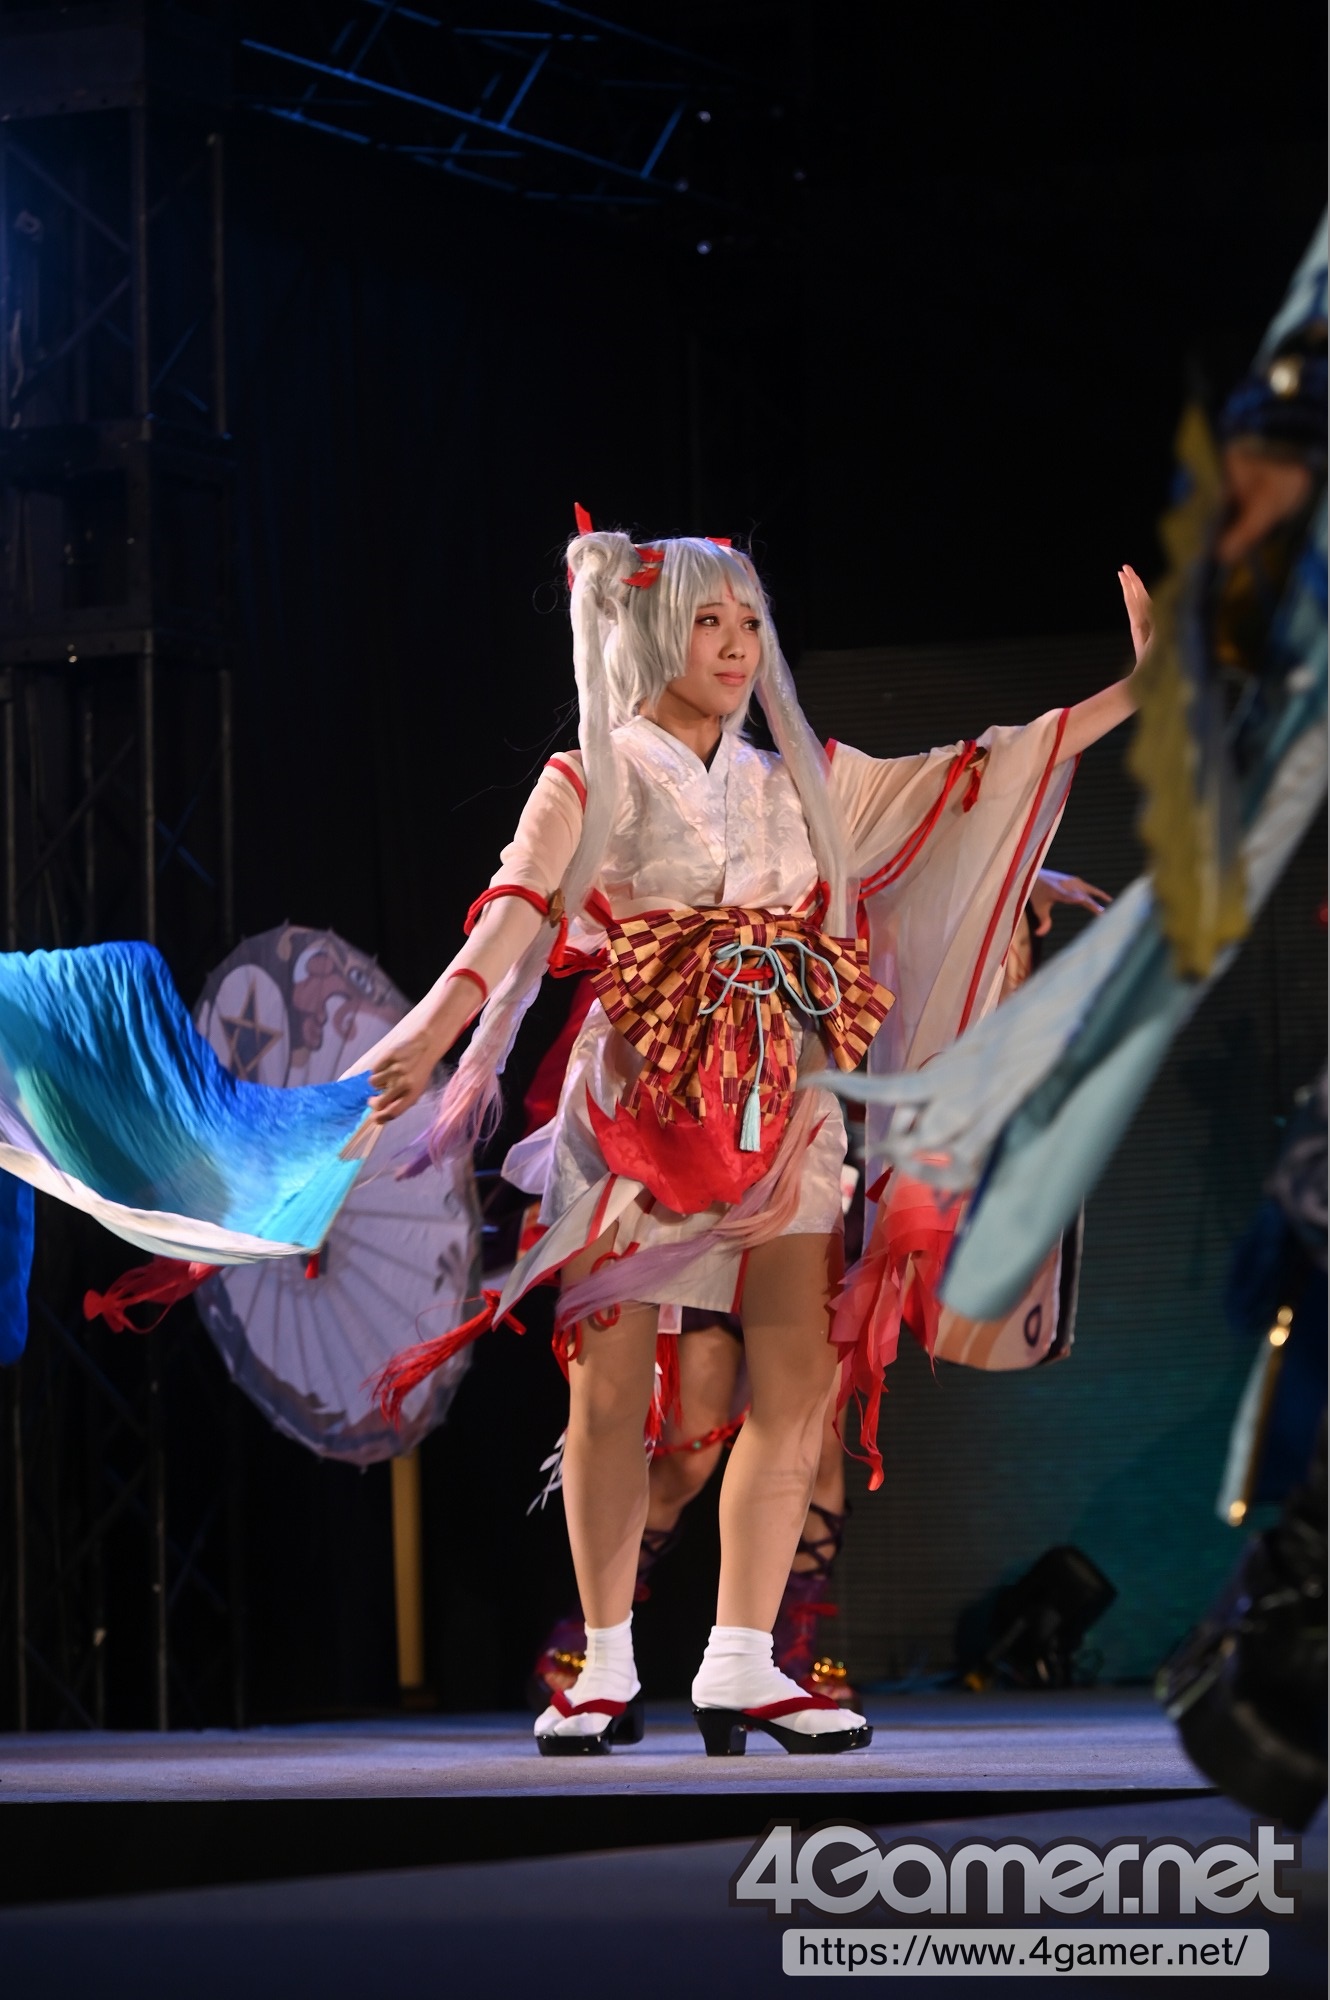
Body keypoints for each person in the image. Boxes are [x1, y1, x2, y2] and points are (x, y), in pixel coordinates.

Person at [357, 521, 1150, 1755]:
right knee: (610, 1395)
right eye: (708, 621)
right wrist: (431, 1025)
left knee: (799, 1386)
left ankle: (740, 1657)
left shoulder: (801, 777)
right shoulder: (589, 776)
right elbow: (511, 912)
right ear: (650, 630)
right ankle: (603, 1662)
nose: (735, 645)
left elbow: (968, 780)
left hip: (783, 1104)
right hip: (639, 1107)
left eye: (747, 622)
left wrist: (1132, 696)